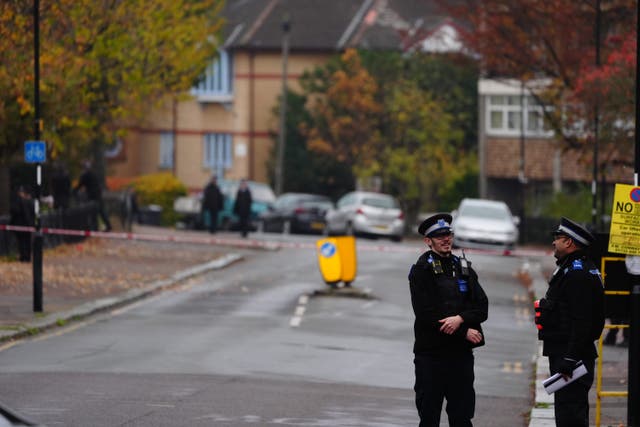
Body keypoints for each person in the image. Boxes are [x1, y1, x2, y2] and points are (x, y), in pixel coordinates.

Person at [408, 213, 488, 427]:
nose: (446, 239)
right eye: (439, 235)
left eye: (448, 234)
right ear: (428, 241)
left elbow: (482, 307)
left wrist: (461, 318)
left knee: (462, 417)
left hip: (460, 357)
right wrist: (463, 331)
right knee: (429, 417)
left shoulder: (463, 268)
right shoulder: (421, 271)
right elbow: (426, 314)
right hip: (431, 356)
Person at [534, 217, 605, 427]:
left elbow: (582, 320)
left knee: (570, 417)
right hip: (567, 354)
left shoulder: (577, 274)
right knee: (568, 412)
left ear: (569, 242)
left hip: (571, 358)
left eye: (557, 238)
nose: (554, 242)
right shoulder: (573, 268)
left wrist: (570, 358)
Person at [73, 159, 112, 231]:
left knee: (93, 212)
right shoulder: (92, 173)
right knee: (101, 211)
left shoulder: (85, 175)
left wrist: (73, 191)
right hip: (98, 194)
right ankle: (108, 225)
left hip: (92, 196)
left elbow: (80, 185)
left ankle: (96, 227)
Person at [9, 185, 35, 262]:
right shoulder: (28, 201)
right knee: (26, 242)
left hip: (21, 225)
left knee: (22, 242)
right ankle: (26, 256)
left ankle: (24, 256)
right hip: (26, 225)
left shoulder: (18, 202)